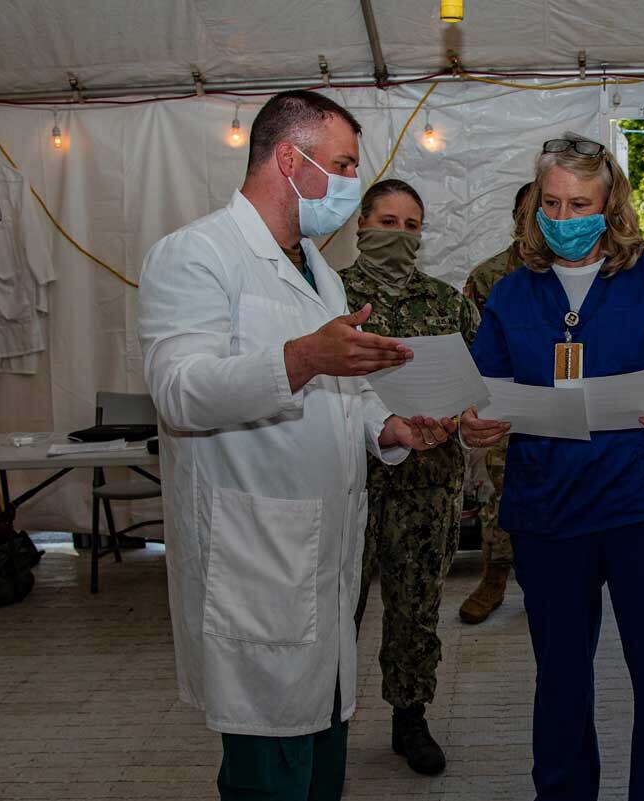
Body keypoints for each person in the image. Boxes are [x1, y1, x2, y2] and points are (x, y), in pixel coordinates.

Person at [138, 90, 453, 801]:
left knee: (320, 770)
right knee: (270, 777)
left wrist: (390, 428)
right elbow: (180, 391)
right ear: (290, 157)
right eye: (341, 165)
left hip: (326, 563)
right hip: (257, 565)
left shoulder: (323, 270)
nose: (350, 183)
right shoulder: (195, 256)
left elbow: (345, 392)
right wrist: (302, 357)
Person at [461, 132, 644, 801]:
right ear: (534, 207)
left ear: (611, 205)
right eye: (552, 203)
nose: (565, 218)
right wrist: (475, 425)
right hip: (552, 509)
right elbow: (483, 394)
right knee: (561, 681)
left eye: (581, 204)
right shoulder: (513, 292)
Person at [344, 179, 478, 776]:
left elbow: (482, 382)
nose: (399, 235)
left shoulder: (447, 303)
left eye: (410, 225)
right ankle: (326, 720)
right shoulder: (329, 297)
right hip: (348, 480)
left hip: (428, 482)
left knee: (416, 606)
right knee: (337, 605)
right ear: (360, 226)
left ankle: (410, 718)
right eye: (388, 222)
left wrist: (462, 415)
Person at [458, 181, 533, 624]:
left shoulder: (581, 273)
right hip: (505, 409)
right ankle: (494, 578)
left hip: (564, 409)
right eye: (528, 210)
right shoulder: (488, 278)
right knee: (500, 498)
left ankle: (547, 581)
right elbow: (471, 351)